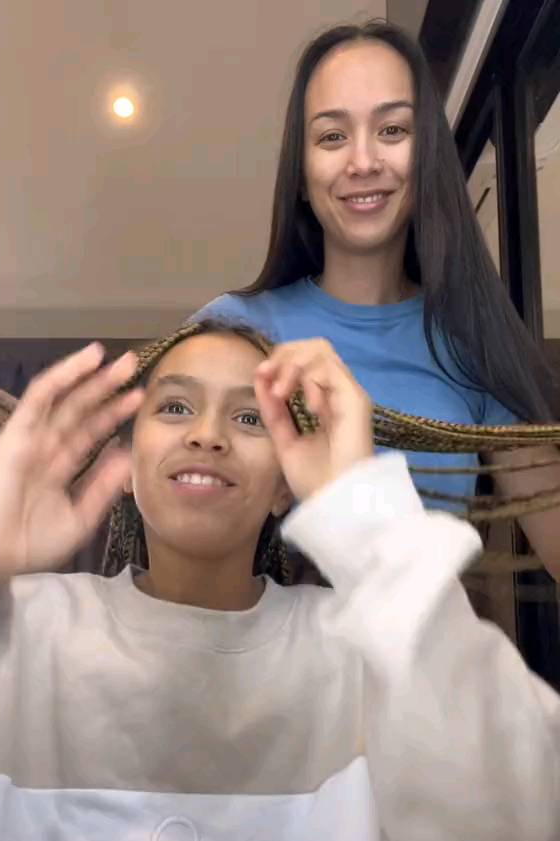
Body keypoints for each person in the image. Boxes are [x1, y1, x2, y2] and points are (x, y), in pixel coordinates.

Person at [0, 319, 559, 841]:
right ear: (130, 462)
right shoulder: (20, 629)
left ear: (286, 484)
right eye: (175, 406)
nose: (207, 435)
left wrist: (371, 524)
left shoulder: (361, 650)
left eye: (250, 417)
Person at [193, 20, 560, 578]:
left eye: (392, 130)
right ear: (301, 174)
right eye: (332, 137)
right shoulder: (231, 328)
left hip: (420, 635)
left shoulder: (471, 342)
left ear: (428, 156)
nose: (363, 162)